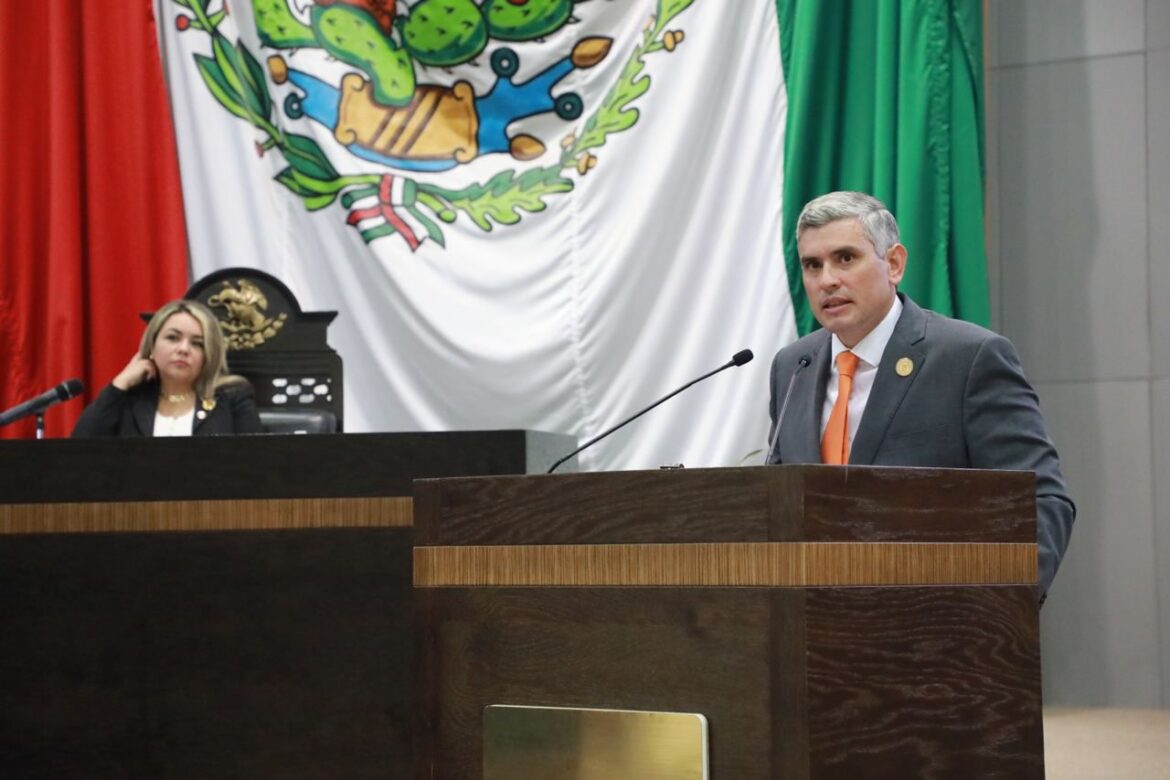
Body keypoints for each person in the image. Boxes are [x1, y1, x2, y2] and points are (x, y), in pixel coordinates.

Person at [767, 191, 1074, 596]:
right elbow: (777, 507)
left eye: (845, 258)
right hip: (811, 633)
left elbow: (1041, 501)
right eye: (813, 265)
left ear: (893, 264)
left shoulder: (967, 358)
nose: (827, 280)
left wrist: (996, 612)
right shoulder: (793, 367)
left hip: (937, 631)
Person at [72, 299, 263, 437]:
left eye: (197, 344)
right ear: (152, 345)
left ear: (208, 355)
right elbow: (79, 450)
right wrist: (120, 384)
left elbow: (258, 466)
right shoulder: (130, 398)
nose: (183, 349)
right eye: (173, 338)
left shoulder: (232, 397)